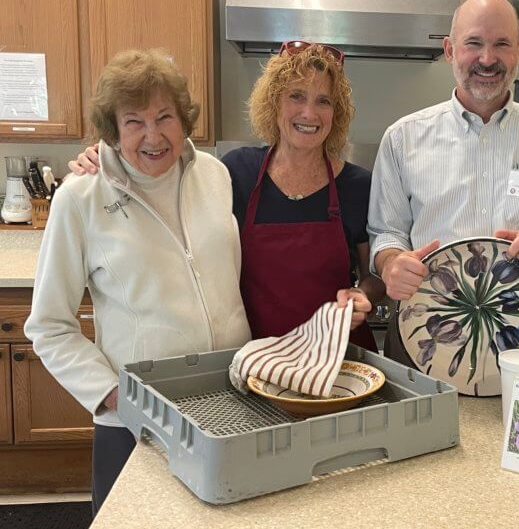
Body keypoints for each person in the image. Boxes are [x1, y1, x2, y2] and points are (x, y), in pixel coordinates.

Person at [25, 49, 252, 515]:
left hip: (227, 405)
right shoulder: (80, 197)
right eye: (134, 122)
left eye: (165, 116)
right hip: (137, 423)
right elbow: (49, 326)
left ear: (185, 119)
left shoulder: (215, 175)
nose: (153, 135)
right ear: (112, 129)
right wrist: (116, 397)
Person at [69, 41, 381, 349]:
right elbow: (159, 180)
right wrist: (109, 157)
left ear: (336, 113)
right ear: (274, 102)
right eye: (296, 96)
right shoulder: (233, 172)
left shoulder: (358, 186)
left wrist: (363, 296)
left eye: (324, 101)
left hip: (338, 359)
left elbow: (374, 277)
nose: (309, 113)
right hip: (254, 361)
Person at [368, 0, 519, 362]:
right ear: (449, 49)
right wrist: (391, 263)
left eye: (501, 44)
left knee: (517, 425)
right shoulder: (403, 138)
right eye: (473, 43)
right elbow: (387, 233)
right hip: (420, 338)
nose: (487, 59)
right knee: (420, 424)